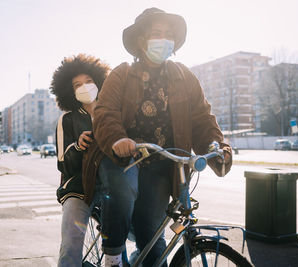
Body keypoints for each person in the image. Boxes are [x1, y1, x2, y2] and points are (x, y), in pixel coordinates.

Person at [92, 8, 233, 267]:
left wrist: (217, 147)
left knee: (152, 239)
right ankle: (112, 257)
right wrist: (117, 139)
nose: (163, 39)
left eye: (168, 34)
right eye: (156, 33)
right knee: (123, 187)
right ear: (141, 40)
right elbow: (105, 113)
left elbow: (202, 118)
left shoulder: (184, 76)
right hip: (124, 158)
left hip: (163, 166)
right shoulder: (121, 74)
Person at [50, 54, 110, 267]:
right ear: (70, 91)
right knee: (71, 246)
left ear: (99, 82)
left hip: (111, 186)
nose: (84, 87)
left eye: (89, 81)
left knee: (121, 243)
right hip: (77, 189)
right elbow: (63, 163)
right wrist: (78, 146)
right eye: (77, 84)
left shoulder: (113, 113)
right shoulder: (67, 120)